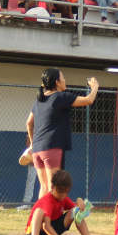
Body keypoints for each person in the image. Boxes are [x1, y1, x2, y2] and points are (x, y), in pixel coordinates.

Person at [25, 68, 98, 198]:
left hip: (37, 150)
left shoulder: (39, 101)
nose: (65, 81)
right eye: (63, 78)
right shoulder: (60, 97)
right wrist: (95, 87)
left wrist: (32, 144)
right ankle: (49, 217)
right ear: (57, 82)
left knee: (44, 186)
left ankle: (42, 216)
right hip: (51, 147)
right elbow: (89, 100)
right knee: (54, 187)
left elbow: (29, 123)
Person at [24, 168, 102, 235]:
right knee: (39, 211)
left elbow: (77, 210)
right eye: (60, 192)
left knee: (75, 211)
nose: (62, 195)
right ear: (52, 187)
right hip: (38, 233)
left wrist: (79, 201)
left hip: (50, 234)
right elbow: (46, 226)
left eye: (65, 192)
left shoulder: (63, 198)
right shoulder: (47, 201)